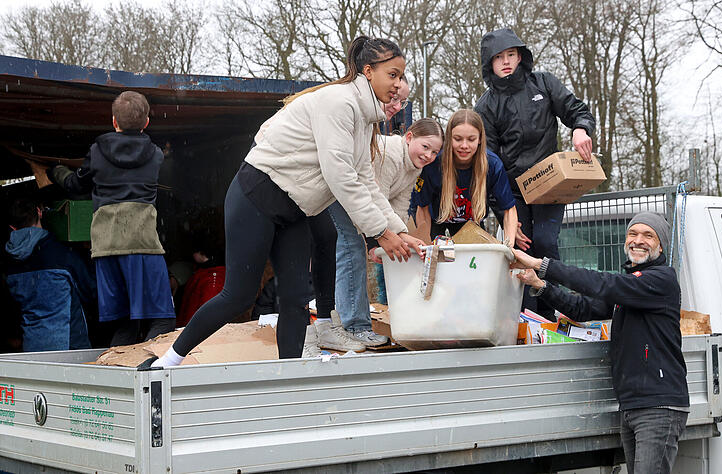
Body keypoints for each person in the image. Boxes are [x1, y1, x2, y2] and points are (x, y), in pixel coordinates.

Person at [150, 36, 421, 367]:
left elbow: (364, 178)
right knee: (238, 295)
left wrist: (397, 230)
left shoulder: (365, 117)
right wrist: (381, 233)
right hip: (257, 195)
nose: (398, 84)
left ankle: (287, 378)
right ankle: (169, 360)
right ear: (368, 71)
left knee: (294, 299)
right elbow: (341, 177)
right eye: (392, 75)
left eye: (401, 77)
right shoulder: (339, 103)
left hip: (295, 209)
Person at [510, 211, 689, 474]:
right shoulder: (630, 285)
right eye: (632, 234)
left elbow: (603, 284)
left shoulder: (661, 279)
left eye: (648, 235)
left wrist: (540, 264)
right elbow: (583, 309)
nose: (638, 240)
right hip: (632, 403)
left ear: (660, 244)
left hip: (658, 405)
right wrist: (541, 286)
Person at [474, 28, 596, 307]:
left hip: (548, 184)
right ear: (489, 63)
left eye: (511, 54)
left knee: (545, 243)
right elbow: (489, 166)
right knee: (520, 250)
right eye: (499, 57)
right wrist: (506, 215)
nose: (506, 61)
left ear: (521, 56)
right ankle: (528, 321)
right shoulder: (485, 106)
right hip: (512, 193)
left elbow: (578, 110)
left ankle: (558, 311)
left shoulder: (544, 83)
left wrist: (580, 129)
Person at [51, 91, 176, 346]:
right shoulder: (155, 154)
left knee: (125, 323)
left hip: (105, 248)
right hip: (141, 244)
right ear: (147, 123)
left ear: (114, 122)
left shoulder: (97, 151)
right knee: (163, 321)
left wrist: (56, 171)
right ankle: (144, 371)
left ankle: (119, 374)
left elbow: (76, 185)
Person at [324, 116, 443, 351]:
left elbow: (398, 205)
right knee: (351, 248)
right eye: (425, 146)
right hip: (341, 192)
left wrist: (392, 239)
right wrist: (396, 237)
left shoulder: (414, 166)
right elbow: (377, 198)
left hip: (364, 203)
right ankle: (354, 327)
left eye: (435, 152)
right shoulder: (389, 153)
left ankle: (355, 324)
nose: (429, 155)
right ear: (409, 138)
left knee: (358, 248)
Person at [412, 109, 518, 244]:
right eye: (457, 139)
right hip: (436, 221)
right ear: (449, 138)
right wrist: (426, 247)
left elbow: (509, 209)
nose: (464, 146)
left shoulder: (492, 164)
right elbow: (422, 208)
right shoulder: (433, 164)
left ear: (480, 139)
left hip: (472, 223)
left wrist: (510, 245)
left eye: (471, 139)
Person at [3, 198, 95, 351]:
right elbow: (91, 291)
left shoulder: (9, 265)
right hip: (69, 346)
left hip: (31, 346)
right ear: (39, 212)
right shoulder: (62, 254)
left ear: (12, 227)